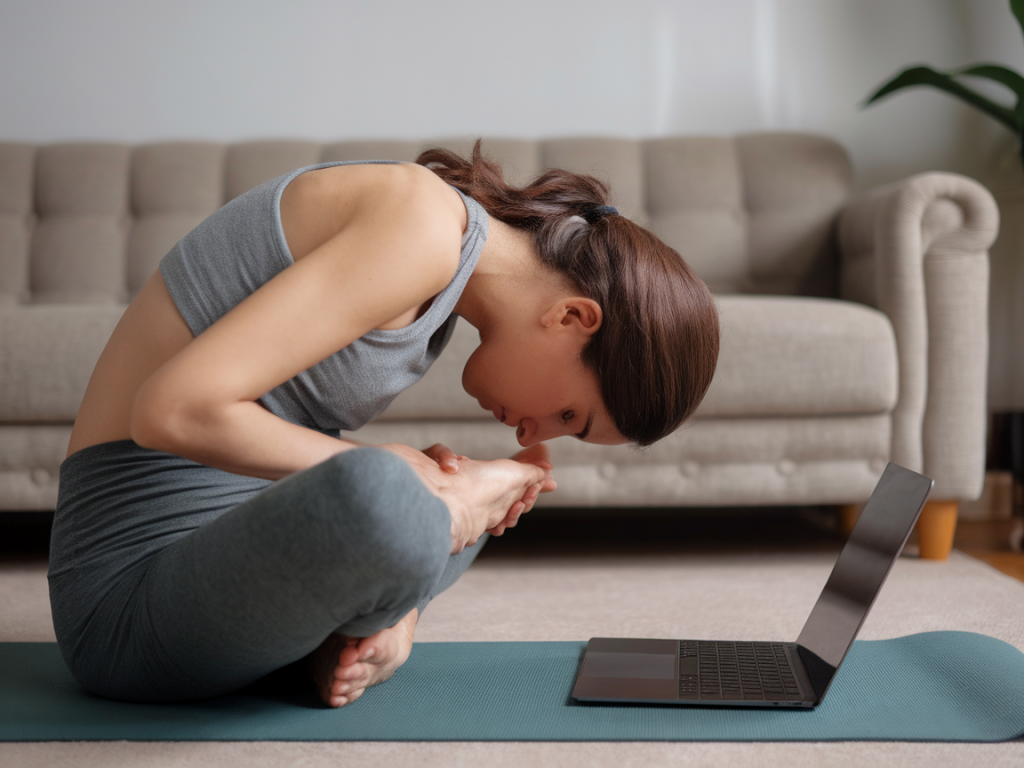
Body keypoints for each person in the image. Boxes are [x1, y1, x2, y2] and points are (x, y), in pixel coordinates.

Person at [48, 142, 720, 708]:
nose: (535, 434)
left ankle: (383, 599)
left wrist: (427, 512)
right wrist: (407, 475)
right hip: (128, 600)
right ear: (574, 319)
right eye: (571, 415)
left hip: (240, 554)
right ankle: (391, 586)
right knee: (394, 496)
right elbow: (171, 410)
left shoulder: (445, 265)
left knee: (469, 496)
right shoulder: (421, 225)